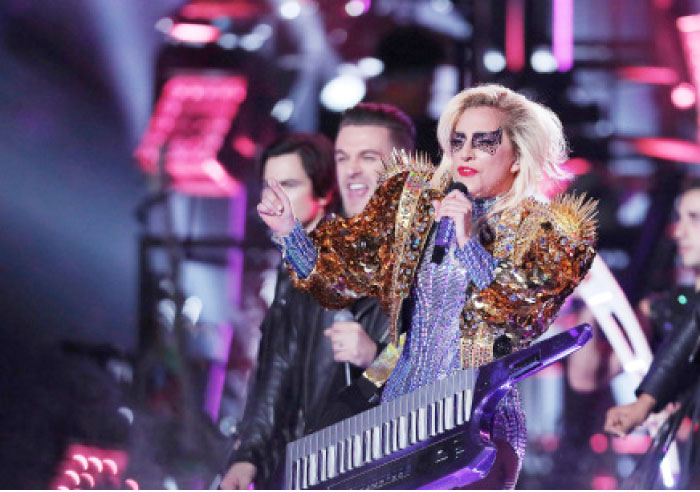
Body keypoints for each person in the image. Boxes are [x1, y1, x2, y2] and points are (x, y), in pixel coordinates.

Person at [258, 84, 598, 489]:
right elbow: (342, 275)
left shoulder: (548, 230)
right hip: (399, 420)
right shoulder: (416, 207)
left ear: (518, 155)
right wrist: (291, 233)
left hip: (478, 426)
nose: (466, 153)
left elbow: (516, 313)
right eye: (458, 140)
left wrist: (469, 243)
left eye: (485, 142)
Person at [222, 106, 417, 490]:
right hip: (311, 464)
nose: (352, 170)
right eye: (343, 157)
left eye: (368, 157)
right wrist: (250, 454)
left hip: (381, 466)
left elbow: (432, 359)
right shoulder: (320, 258)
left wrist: (373, 357)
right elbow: (279, 368)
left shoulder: (427, 250)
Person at [604, 185, 700, 489]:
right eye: (680, 217)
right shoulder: (673, 306)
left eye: (695, 218)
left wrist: (644, 404)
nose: (678, 232)